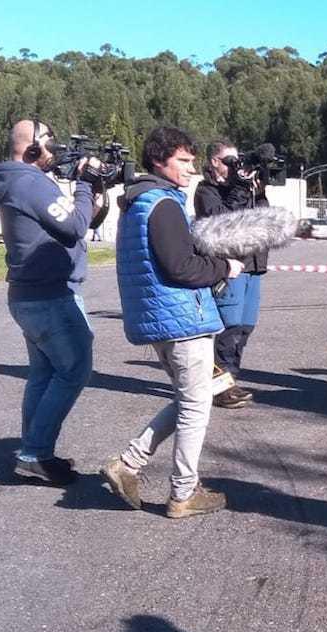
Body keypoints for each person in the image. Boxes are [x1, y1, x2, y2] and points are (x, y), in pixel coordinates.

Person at [101, 126, 244, 519]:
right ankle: (183, 492)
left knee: (188, 398)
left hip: (162, 321)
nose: (190, 168)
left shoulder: (139, 201)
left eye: (192, 160)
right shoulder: (161, 203)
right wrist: (223, 267)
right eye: (183, 160)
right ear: (159, 161)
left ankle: (128, 464)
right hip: (182, 321)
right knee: (196, 406)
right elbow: (180, 266)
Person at [0, 119, 97, 485]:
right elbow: (73, 227)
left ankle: (33, 451)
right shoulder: (28, 182)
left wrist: (93, 194)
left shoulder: (14, 181)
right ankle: (35, 452)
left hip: (29, 296)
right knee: (74, 369)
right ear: (33, 147)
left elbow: (69, 222)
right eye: (51, 144)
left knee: (45, 373)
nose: (56, 152)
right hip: (51, 297)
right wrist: (86, 185)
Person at [194, 140, 268, 410]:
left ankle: (230, 380)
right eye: (229, 162)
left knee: (245, 328)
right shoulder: (207, 191)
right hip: (230, 267)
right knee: (228, 329)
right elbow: (223, 222)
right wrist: (238, 189)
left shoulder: (239, 189)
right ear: (214, 162)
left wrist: (259, 189)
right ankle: (219, 388)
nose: (234, 167)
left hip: (253, 266)